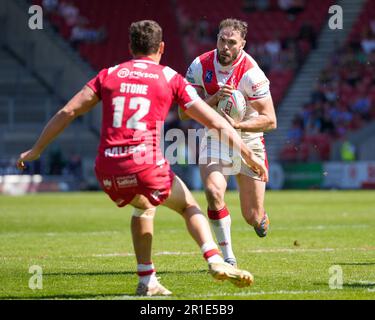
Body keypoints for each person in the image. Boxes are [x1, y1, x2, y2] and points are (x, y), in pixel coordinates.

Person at [16, 20, 268, 296]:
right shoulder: (169, 77)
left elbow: (68, 112)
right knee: (188, 206)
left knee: (144, 206)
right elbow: (214, 122)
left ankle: (147, 279)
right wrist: (248, 155)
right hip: (146, 165)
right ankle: (216, 260)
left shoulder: (109, 74)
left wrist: (36, 150)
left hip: (107, 168)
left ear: (130, 47)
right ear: (161, 47)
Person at [180, 18, 277, 267]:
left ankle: (260, 219)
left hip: (250, 140)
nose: (225, 46)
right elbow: (182, 112)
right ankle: (228, 258)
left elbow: (270, 120)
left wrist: (238, 125)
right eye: (222, 40)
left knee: (252, 216)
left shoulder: (252, 73)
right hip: (216, 137)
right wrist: (211, 99)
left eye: (232, 42)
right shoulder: (200, 65)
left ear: (242, 44)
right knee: (213, 193)